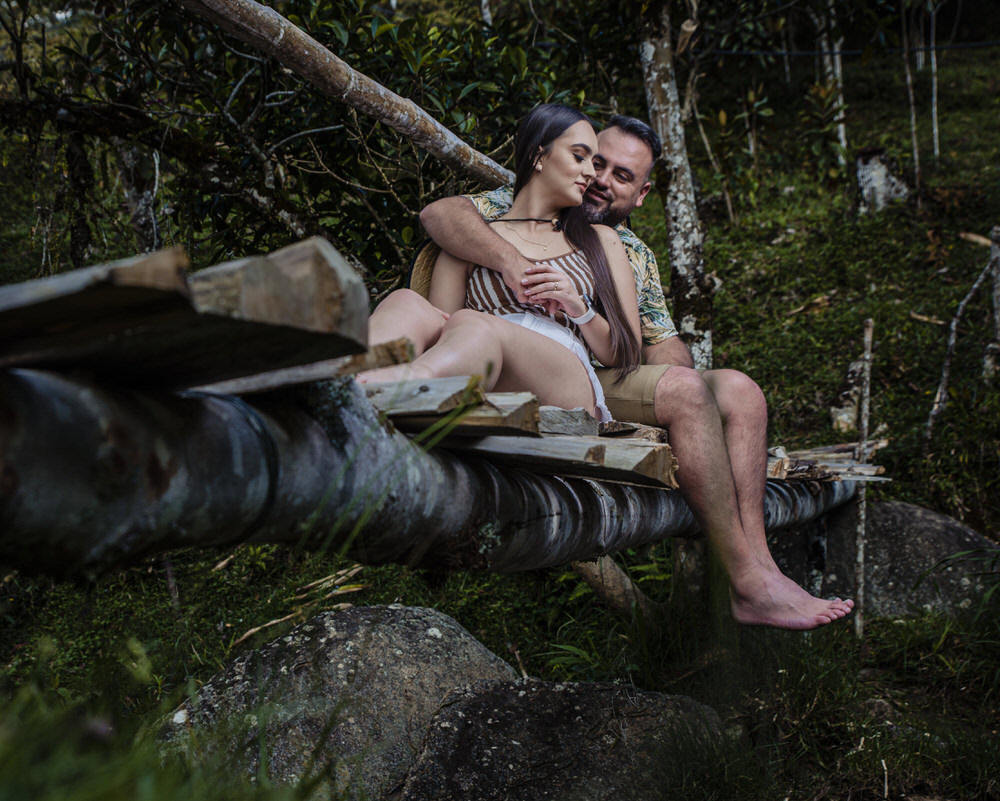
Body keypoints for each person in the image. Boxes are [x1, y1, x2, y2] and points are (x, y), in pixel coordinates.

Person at [417, 114, 854, 631]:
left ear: (642, 194)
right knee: (684, 392)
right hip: (548, 367)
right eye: (595, 161)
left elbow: (664, 347)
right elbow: (443, 215)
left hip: (610, 367)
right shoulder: (516, 205)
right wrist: (510, 260)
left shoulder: (631, 253)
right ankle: (750, 579)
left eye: (621, 176)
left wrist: (651, 369)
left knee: (740, 392)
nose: (600, 179)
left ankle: (758, 566)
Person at [359, 104, 640, 422]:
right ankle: (343, 374)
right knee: (406, 302)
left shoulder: (600, 240)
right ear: (538, 157)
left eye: (593, 161)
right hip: (475, 358)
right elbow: (441, 325)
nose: (591, 173)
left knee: (477, 325)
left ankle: (390, 387)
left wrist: (578, 306)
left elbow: (625, 353)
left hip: (562, 379)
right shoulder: (473, 241)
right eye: (580, 156)